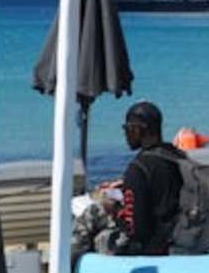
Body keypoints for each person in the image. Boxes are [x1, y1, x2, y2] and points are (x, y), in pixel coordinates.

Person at [75, 101, 187, 256]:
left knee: (92, 215)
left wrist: (114, 209)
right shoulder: (177, 157)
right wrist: (126, 187)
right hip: (177, 237)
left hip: (149, 248)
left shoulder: (138, 169)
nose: (125, 134)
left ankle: (68, 267)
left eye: (127, 128)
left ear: (138, 129)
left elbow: (136, 230)